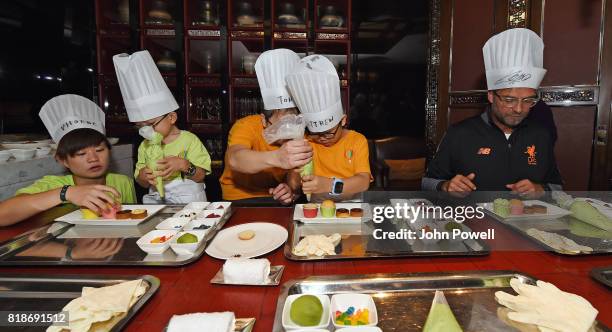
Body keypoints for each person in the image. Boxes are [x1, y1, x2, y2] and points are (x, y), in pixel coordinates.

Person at [422, 28, 563, 195]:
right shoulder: (459, 133)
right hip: (474, 219)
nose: (519, 109)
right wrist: (445, 186)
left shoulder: (541, 135)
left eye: (527, 100)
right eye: (509, 100)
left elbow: (558, 187)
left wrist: (541, 189)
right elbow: (427, 183)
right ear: (491, 96)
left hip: (526, 220)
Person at [0, 94, 137, 226]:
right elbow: (3, 215)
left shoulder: (123, 182)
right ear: (63, 160)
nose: (93, 158)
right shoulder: (52, 185)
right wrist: (67, 193)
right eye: (81, 153)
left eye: (100, 150)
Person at [114, 50, 211, 203]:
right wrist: (144, 177)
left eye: (152, 124)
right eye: (141, 126)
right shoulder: (144, 146)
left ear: (171, 117)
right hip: (157, 202)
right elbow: (141, 181)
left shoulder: (189, 140)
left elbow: (200, 176)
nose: (147, 130)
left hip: (190, 201)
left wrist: (183, 165)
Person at [220, 49, 313, 204]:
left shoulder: (298, 134)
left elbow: (295, 182)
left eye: (293, 123)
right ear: (264, 120)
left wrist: (289, 190)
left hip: (273, 197)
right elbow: (235, 159)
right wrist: (277, 157)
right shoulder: (246, 126)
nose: (288, 133)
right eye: (282, 125)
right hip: (238, 198)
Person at [286, 55, 371, 201]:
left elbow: (363, 182)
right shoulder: (307, 141)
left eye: (328, 133)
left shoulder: (357, 140)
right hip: (316, 206)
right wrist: (294, 174)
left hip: (351, 204)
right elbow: (294, 184)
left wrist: (329, 185)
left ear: (343, 121)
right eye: (316, 134)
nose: (322, 139)